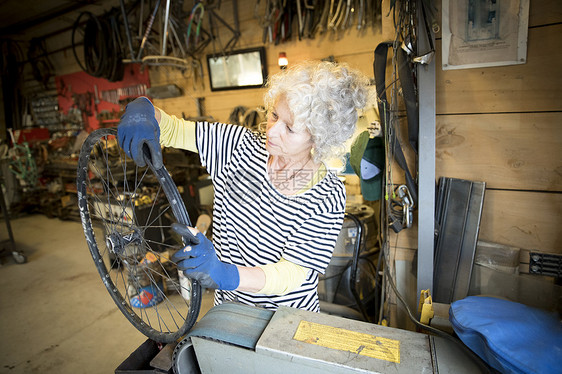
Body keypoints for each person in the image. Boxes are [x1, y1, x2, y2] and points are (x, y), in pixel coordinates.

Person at [118, 61, 370, 312]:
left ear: (318, 138)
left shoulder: (327, 195)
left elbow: (292, 273)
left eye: (290, 128)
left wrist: (225, 274)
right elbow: (174, 130)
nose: (272, 132)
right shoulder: (238, 147)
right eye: (274, 116)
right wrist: (144, 109)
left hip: (284, 319)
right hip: (229, 309)